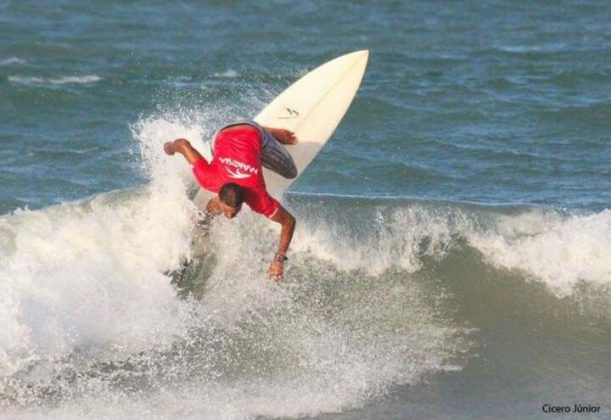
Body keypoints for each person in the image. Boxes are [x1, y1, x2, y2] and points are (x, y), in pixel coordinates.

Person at [164, 121, 298, 280]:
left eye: (234, 213)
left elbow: (289, 221)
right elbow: (183, 145)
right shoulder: (209, 178)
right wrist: (170, 147)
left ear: (244, 202)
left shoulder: (258, 198)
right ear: (218, 194)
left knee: (291, 172)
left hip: (252, 131)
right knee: (220, 197)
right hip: (221, 133)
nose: (229, 217)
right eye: (228, 212)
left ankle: (267, 132)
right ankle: (204, 222)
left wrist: (279, 259)